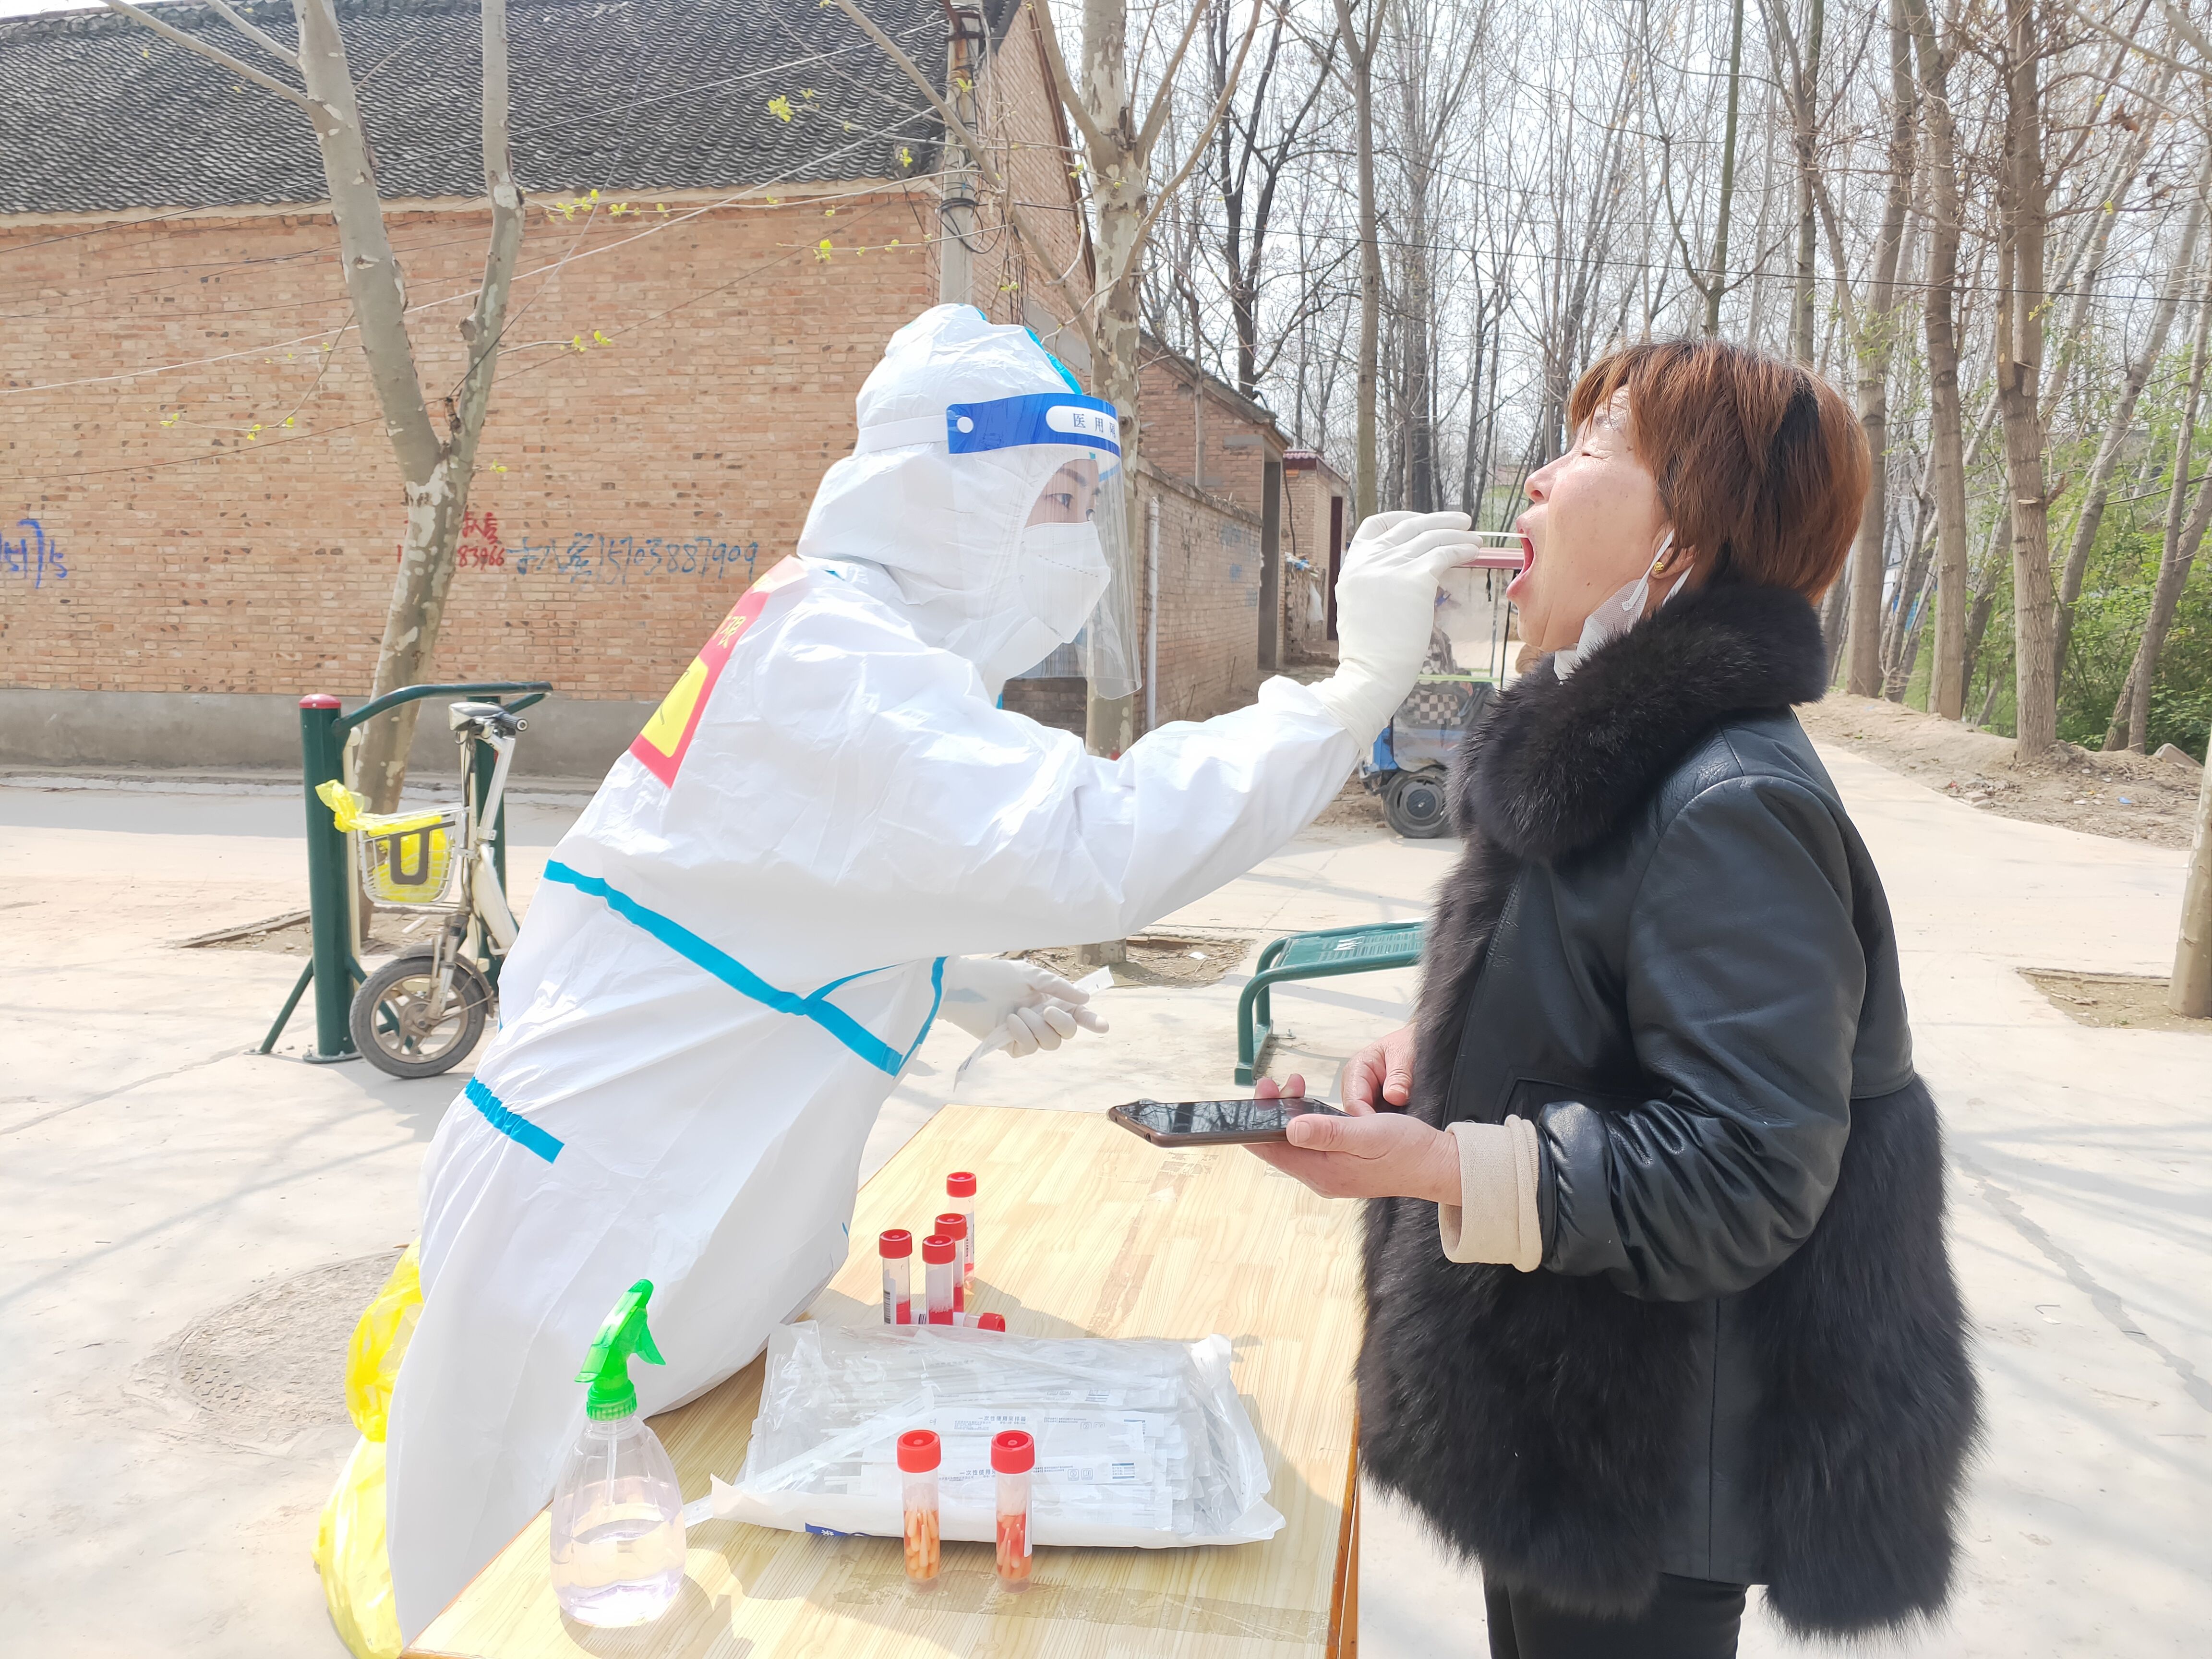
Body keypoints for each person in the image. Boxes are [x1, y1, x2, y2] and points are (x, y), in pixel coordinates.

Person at [383, 303, 1485, 1636]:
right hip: (593, 1231)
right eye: (1057, 498)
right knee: (530, 1600)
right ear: (943, 491)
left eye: (1089, 501)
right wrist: (1352, 690)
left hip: (649, 1209)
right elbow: (1098, 840)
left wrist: (938, 972)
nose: (1079, 542)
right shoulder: (838, 667)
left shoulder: (840, 639)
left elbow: (745, 889)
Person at [1252, 339, 1978, 1658]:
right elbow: (1611, 1004)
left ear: (1681, 535)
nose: (1538, 478)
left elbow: (1744, 1170)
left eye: (1592, 449)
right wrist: (1440, 1051)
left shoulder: (1729, 799)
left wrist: (1441, 1164)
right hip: (1559, 1420)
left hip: (1648, 1463)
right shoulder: (1611, 750)